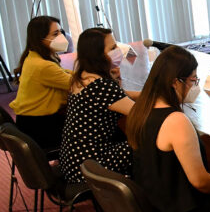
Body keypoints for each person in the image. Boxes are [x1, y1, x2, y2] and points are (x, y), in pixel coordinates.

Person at [125, 46, 210, 212]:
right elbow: (200, 182)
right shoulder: (175, 120)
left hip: (152, 204)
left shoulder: (140, 110)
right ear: (174, 82)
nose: (194, 86)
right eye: (192, 80)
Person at [59, 28, 136, 183]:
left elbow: (121, 96)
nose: (118, 51)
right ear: (98, 55)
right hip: (92, 166)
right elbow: (140, 113)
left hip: (74, 162)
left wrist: (150, 93)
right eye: (113, 48)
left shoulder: (83, 77)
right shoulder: (101, 86)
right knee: (147, 144)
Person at [10, 16, 71, 151]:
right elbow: (77, 84)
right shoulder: (42, 66)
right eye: (55, 34)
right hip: (40, 128)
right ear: (40, 38)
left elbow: (63, 73)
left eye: (61, 32)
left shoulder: (33, 56)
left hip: (28, 122)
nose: (61, 36)